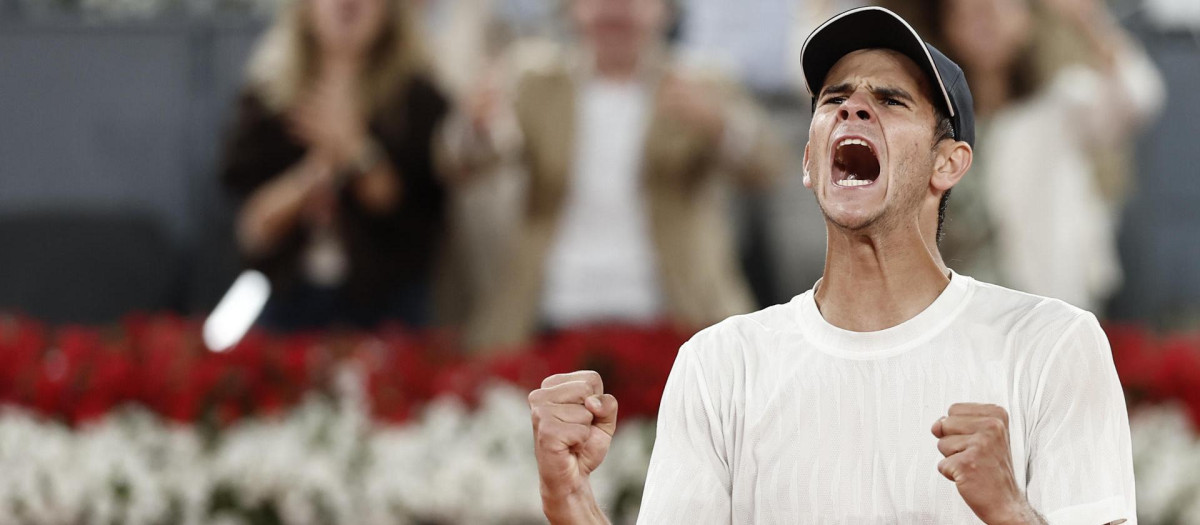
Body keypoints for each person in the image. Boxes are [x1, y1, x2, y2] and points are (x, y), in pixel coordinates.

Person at [527, 7, 1134, 524]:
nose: (854, 110)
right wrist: (572, 502)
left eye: (891, 100)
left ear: (947, 165)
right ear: (810, 161)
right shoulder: (719, 366)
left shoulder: (1053, 346)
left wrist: (1010, 511)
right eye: (835, 99)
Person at [442, 0, 787, 351]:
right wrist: (476, 129)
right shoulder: (534, 79)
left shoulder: (701, 81)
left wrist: (720, 125)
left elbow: (768, 165)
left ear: (666, 10)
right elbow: (461, 159)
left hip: (674, 314)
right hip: (551, 313)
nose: (615, 10)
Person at [220, 0, 449, 330]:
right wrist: (316, 173)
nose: (348, 4)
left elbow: (408, 207)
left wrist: (356, 151)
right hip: (287, 302)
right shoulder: (266, 98)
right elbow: (253, 227)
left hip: (387, 308)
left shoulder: (418, 101)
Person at [932, 0, 1164, 311]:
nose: (984, 22)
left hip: (1047, 299)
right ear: (948, 26)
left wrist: (1087, 17)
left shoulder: (1059, 105)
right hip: (962, 306)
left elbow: (1137, 97)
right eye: (969, 13)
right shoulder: (935, 123)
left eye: (997, 9)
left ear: (1026, 21)